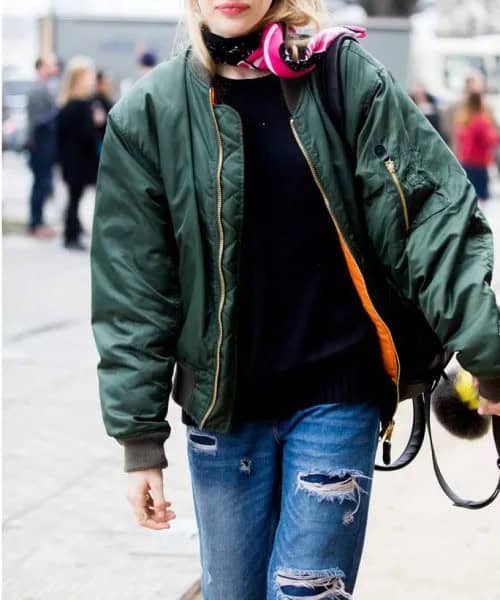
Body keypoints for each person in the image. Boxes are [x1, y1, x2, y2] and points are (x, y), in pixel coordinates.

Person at [90, 1, 500, 598]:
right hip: (223, 416)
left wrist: (489, 358)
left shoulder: (344, 77)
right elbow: (134, 289)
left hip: (337, 397)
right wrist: (139, 442)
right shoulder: (150, 114)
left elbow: (433, 223)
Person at [58, 56, 104, 251]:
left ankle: (73, 232)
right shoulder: (78, 105)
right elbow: (85, 134)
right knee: (74, 199)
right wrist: (97, 121)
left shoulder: (70, 104)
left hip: (73, 160)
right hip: (78, 161)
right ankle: (71, 235)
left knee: (74, 199)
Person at [26, 55, 59, 239]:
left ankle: (37, 222)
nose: (53, 68)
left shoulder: (45, 88)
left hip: (43, 145)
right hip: (39, 146)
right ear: (41, 67)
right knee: (40, 185)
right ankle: (35, 224)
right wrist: (56, 112)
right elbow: (38, 121)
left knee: (42, 185)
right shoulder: (38, 89)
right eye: (50, 65)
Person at [455, 90, 499, 205]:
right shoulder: (481, 121)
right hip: (479, 163)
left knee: (469, 196)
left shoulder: (464, 120)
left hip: (465, 161)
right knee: (481, 198)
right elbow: (490, 140)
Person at [91, 70, 114, 157]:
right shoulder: (96, 101)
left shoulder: (107, 100)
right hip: (99, 142)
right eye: (106, 83)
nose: (109, 85)